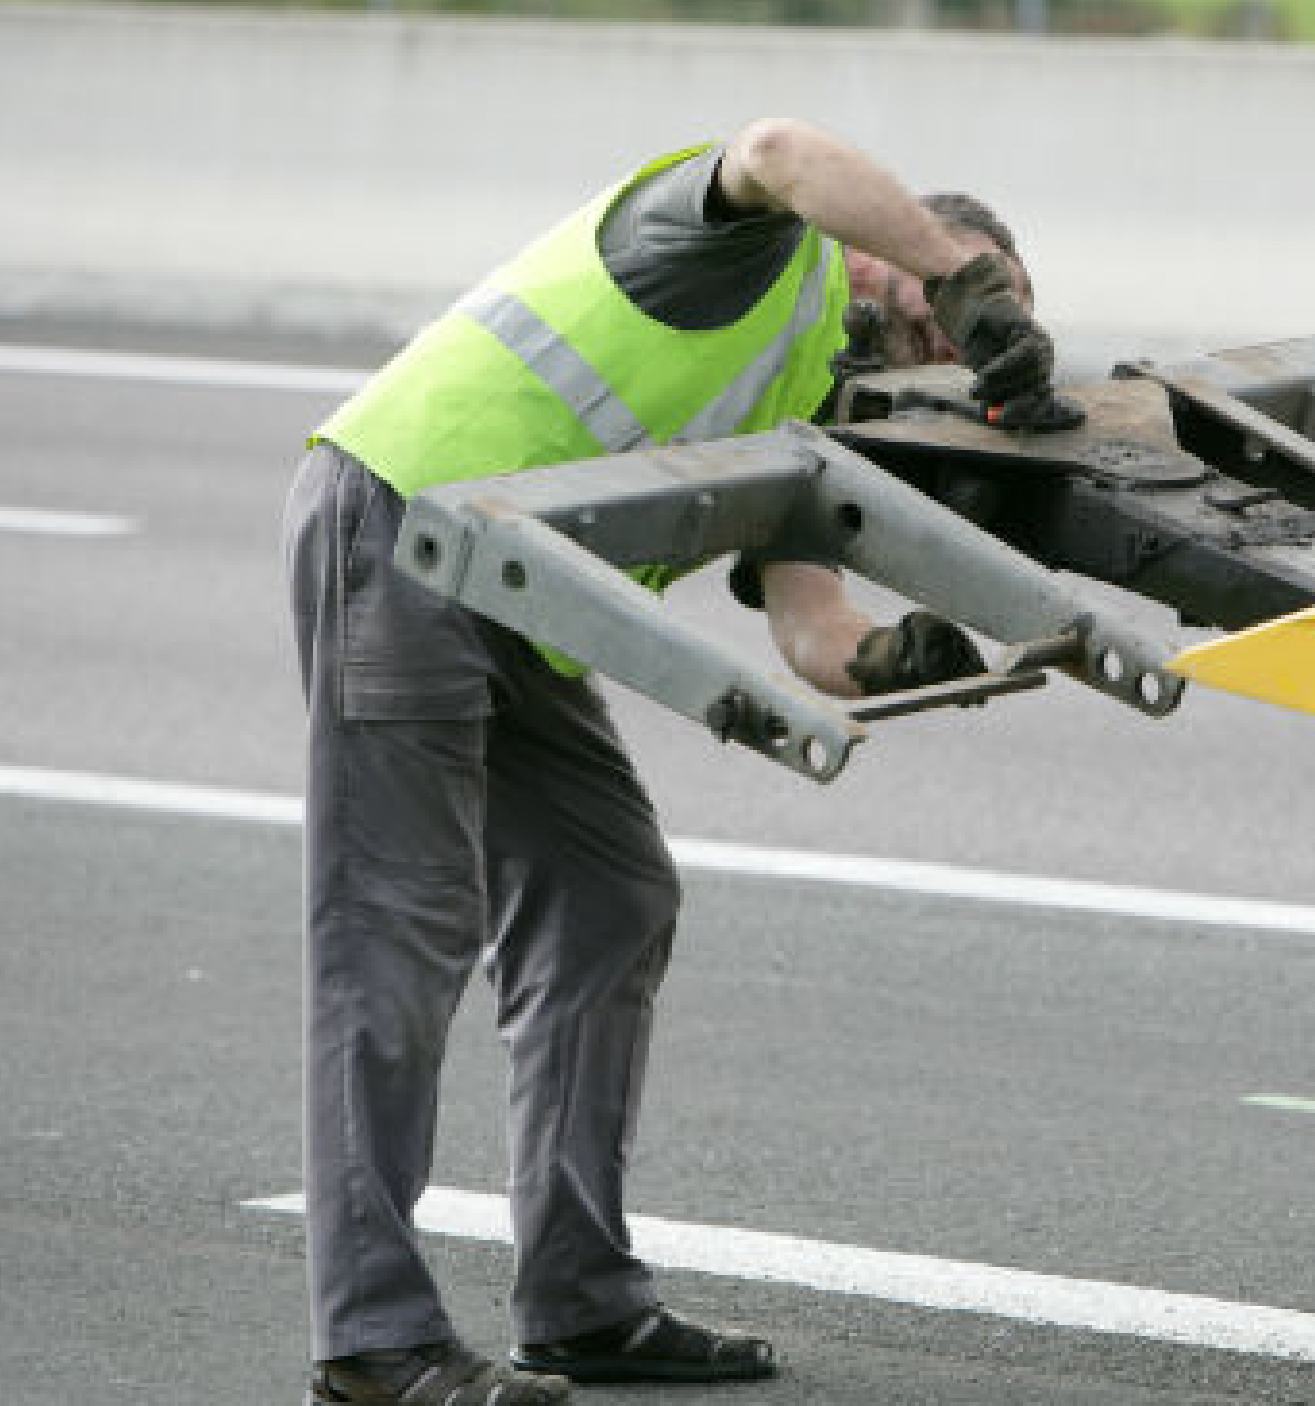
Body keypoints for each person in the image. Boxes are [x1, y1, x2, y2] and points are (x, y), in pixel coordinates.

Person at [282, 118, 1060, 1405]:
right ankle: (374, 1341)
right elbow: (777, 142)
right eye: (964, 296)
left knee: (611, 893)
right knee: (399, 929)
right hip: (401, 521)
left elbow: (812, 627)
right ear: (899, 240)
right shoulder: (745, 246)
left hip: (510, 595)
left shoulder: (810, 399)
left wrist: (895, 659)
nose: (955, 333)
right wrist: (960, 274)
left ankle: (579, 1300)